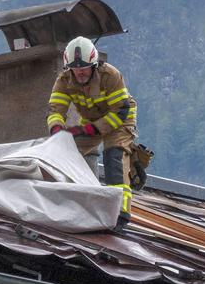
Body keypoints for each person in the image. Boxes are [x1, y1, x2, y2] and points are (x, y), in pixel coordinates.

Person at [47, 36, 138, 229]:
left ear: (94, 64)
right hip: (90, 120)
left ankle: (120, 213)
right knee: (65, 153)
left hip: (120, 120)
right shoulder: (64, 80)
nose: (79, 72)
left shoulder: (110, 75)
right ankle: (64, 203)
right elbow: (56, 110)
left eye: (84, 68)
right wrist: (57, 131)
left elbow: (120, 112)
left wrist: (92, 129)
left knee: (114, 156)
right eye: (75, 68)